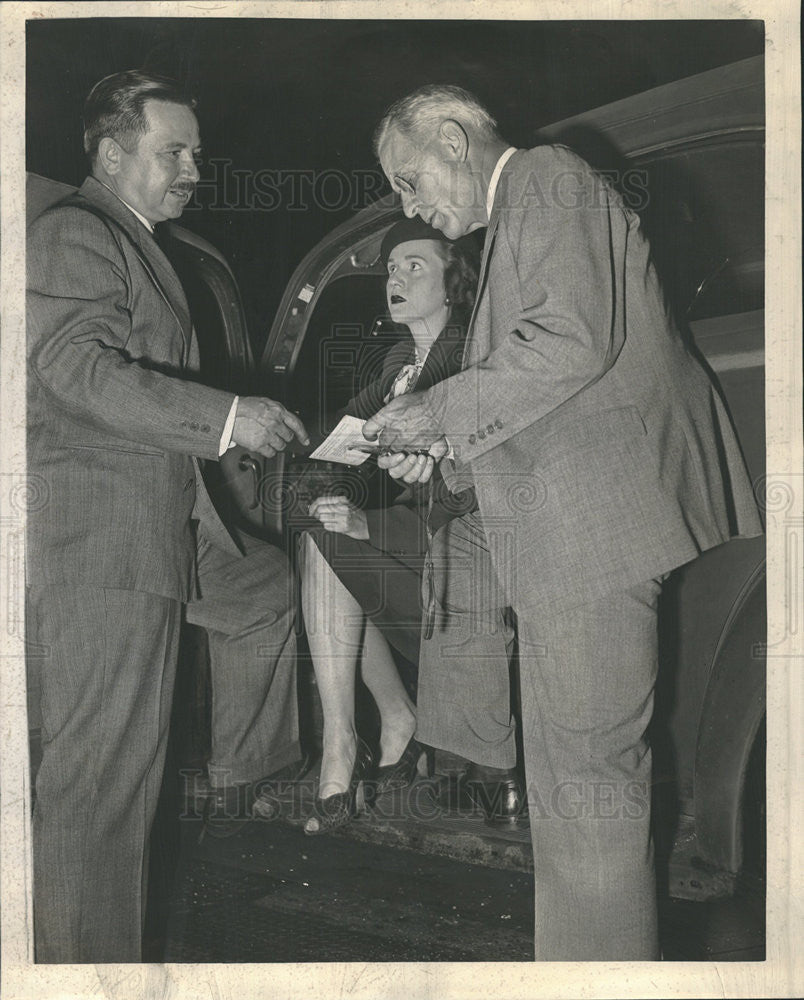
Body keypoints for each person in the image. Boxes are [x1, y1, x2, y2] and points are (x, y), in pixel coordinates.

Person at [363, 85, 763, 960]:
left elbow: (567, 341)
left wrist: (432, 414)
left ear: (457, 137)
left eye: (408, 177)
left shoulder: (546, 178)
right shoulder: (525, 214)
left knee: (587, 794)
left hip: (592, 534)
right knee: (578, 794)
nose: (408, 205)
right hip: (578, 534)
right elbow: (548, 388)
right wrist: (442, 446)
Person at [25, 70, 309, 963]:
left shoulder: (140, 242)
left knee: (265, 585)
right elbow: (74, 369)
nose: (194, 166)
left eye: (196, 150)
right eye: (172, 151)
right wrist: (228, 417)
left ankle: (249, 775)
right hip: (103, 540)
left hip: (160, 525)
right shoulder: (78, 231)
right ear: (112, 154)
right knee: (101, 787)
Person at [300, 217, 524, 834]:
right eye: (392, 269)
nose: (395, 278)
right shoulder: (401, 363)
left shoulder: (470, 358)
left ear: (454, 283)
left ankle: (350, 740)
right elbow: (337, 449)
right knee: (319, 528)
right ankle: (381, 724)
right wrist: (331, 488)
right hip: (421, 552)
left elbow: (471, 501)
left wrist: (372, 516)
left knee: (326, 543)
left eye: (415, 266)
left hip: (468, 571)